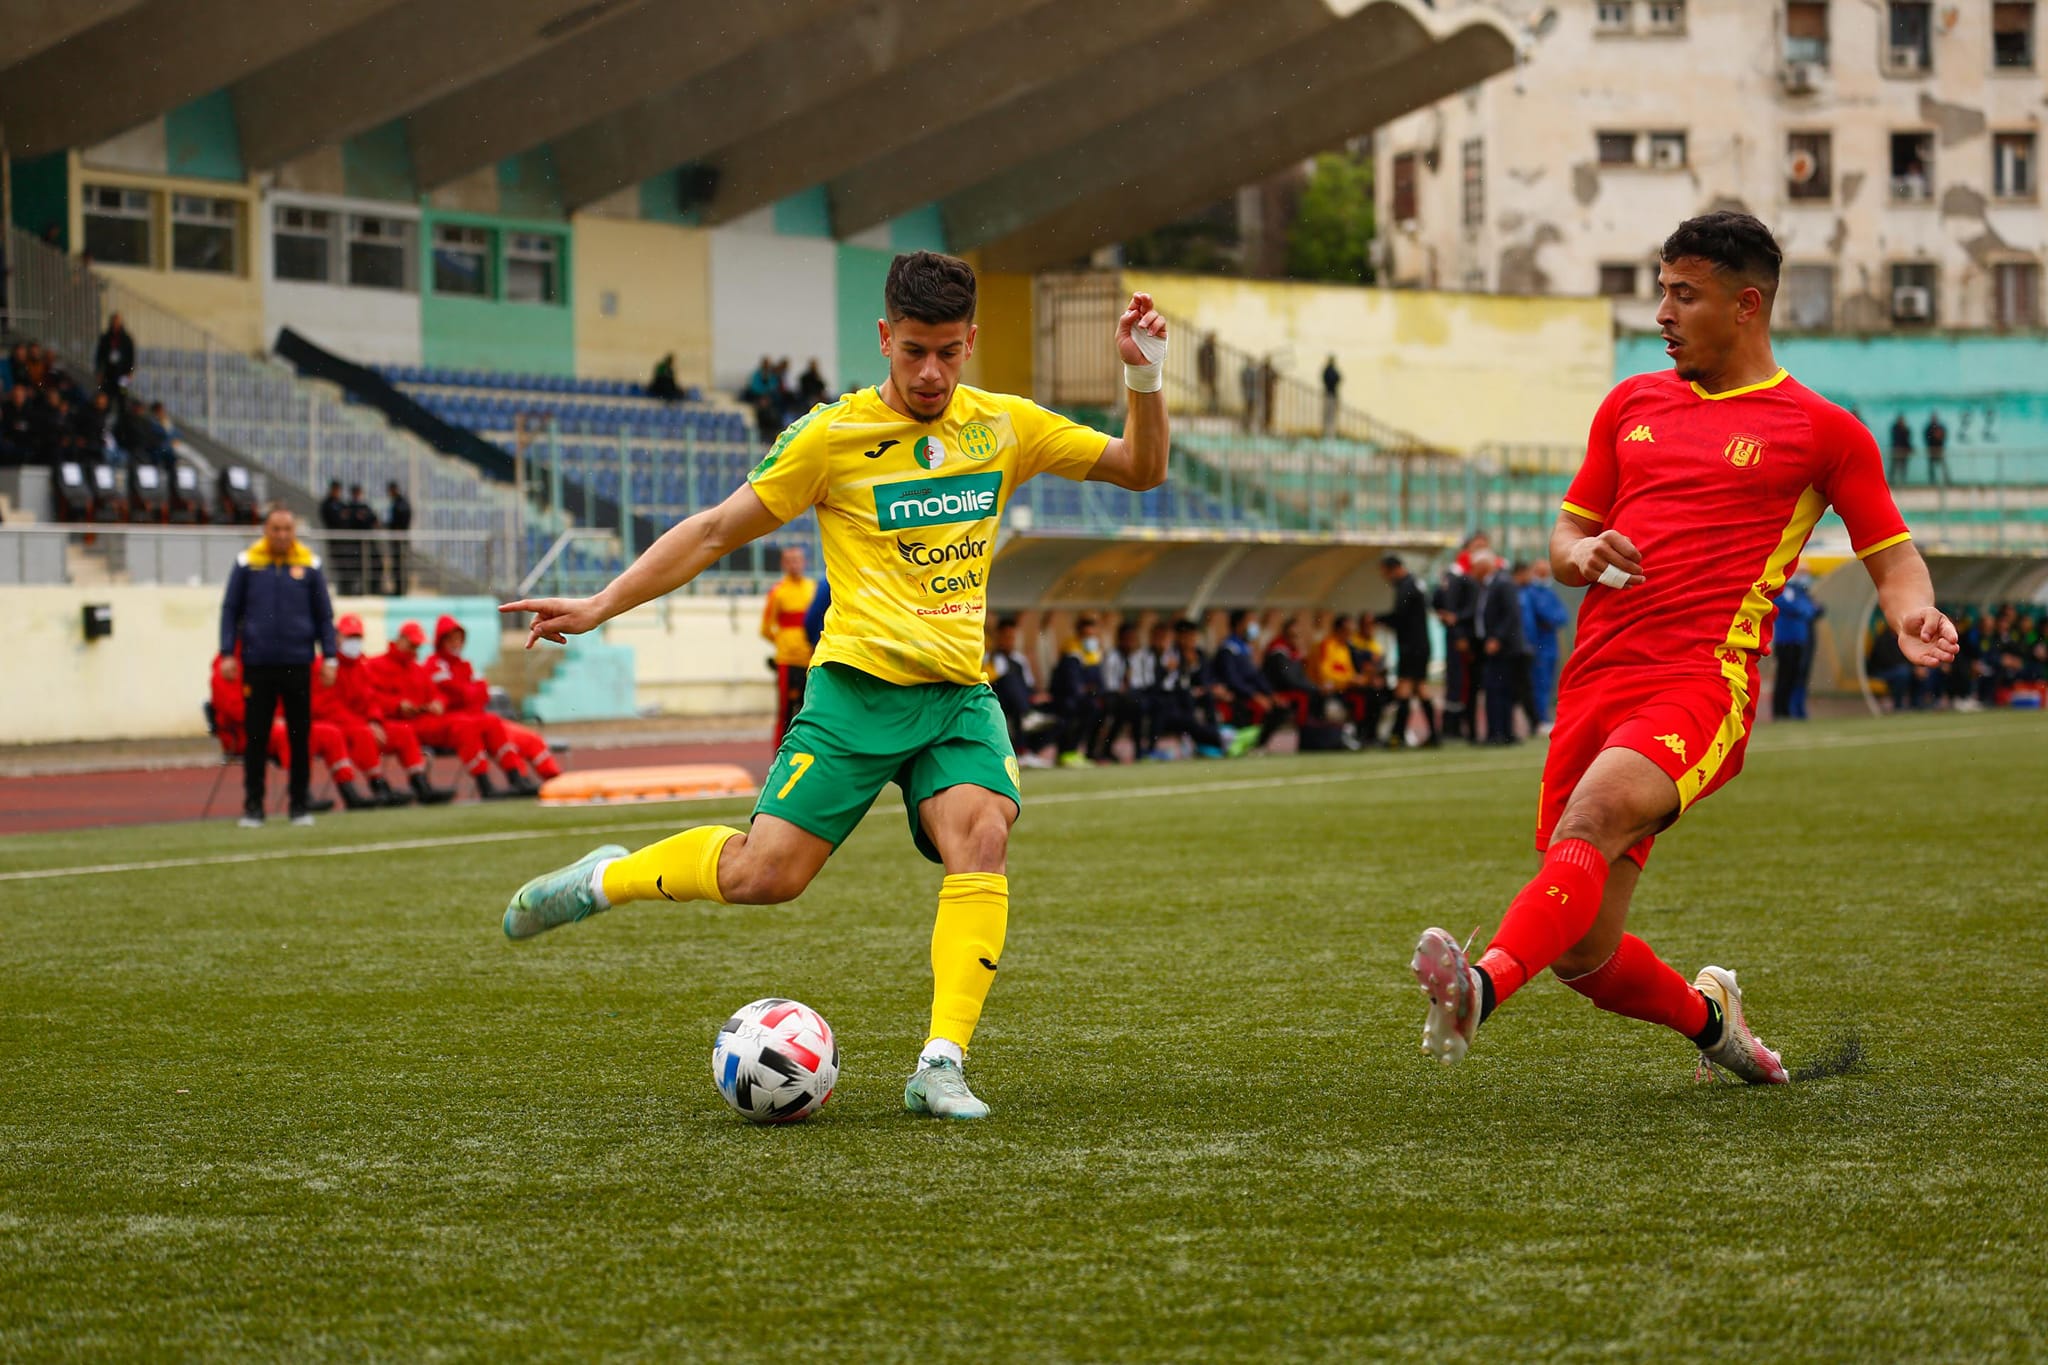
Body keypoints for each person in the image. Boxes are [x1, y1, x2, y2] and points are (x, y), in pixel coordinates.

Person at [500, 251, 1170, 1120]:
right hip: (854, 692)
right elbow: (712, 532)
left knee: (982, 835)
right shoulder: (830, 437)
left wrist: (1143, 376)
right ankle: (607, 878)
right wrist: (600, 603)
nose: (930, 372)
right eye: (913, 352)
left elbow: (1140, 468)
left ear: (972, 342)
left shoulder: (1004, 426)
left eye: (948, 353)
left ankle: (940, 1063)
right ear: (886, 339)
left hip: (956, 698)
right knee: (763, 877)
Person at [1411, 211, 1955, 1086]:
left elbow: (1891, 553)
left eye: (1682, 294)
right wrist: (1580, 554)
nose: (1661, 311)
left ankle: (1477, 987)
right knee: (1584, 952)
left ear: (1746, 305)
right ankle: (1717, 1024)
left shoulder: (1823, 430)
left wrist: (1912, 612)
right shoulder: (1629, 403)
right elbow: (1564, 535)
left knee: (1591, 819)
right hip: (1595, 680)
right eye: (1660, 290)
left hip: (1701, 679)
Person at [218, 505, 339, 827]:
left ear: (295, 532)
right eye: (276, 529)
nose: (282, 535)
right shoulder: (247, 564)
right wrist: (227, 652)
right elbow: (230, 610)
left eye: (287, 529)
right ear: (265, 531)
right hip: (257, 665)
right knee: (256, 737)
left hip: (299, 663)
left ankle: (299, 806)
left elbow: (324, 616)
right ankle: (253, 808)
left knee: (300, 737)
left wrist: (330, 657)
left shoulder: (310, 565)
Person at [367, 621, 524, 800]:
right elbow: (370, 698)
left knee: (491, 722)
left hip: (426, 719)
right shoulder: (377, 665)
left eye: (417, 646)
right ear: (400, 640)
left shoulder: (417, 668)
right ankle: (484, 784)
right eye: (412, 645)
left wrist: (437, 703)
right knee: (463, 726)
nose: (415, 649)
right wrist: (397, 705)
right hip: (403, 722)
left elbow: (443, 694)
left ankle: (516, 777)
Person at [331, 612, 455, 805]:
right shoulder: (335, 667)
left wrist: (374, 720)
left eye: (357, 637)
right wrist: (390, 710)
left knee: (402, 733)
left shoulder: (362, 667)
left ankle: (420, 785)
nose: (415, 649)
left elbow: (371, 700)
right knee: (365, 733)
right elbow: (331, 705)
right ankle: (379, 788)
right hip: (346, 726)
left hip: (373, 724)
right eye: (350, 637)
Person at [429, 617, 556, 789]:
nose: (455, 643)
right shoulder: (433, 665)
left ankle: (555, 781)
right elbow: (459, 694)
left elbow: (481, 694)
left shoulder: (465, 665)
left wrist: (468, 691)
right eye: (450, 639)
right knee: (506, 741)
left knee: (531, 739)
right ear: (440, 640)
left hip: (481, 720)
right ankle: (520, 781)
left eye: (458, 639)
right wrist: (470, 691)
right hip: (463, 726)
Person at [760, 546, 817, 747]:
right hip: (787, 661)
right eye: (790, 560)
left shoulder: (813, 588)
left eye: (798, 560)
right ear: (784, 564)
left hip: (811, 660)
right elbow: (765, 628)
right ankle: (779, 756)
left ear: (804, 563)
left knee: (809, 710)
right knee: (785, 712)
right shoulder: (778, 592)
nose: (794, 564)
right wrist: (785, 644)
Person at [1379, 554, 1437, 747]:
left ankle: (1397, 736)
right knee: (1420, 688)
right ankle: (1434, 735)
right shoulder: (1415, 583)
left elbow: (1400, 617)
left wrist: (1379, 619)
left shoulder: (1405, 587)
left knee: (1404, 688)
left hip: (1411, 646)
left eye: (1385, 573)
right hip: (1420, 644)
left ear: (1393, 569)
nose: (1386, 578)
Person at [1472, 549, 1524, 744]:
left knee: (1499, 689)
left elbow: (1510, 614)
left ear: (1484, 566)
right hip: (1495, 646)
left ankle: (1501, 733)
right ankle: (1499, 732)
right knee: (1497, 690)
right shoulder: (1489, 585)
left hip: (1504, 648)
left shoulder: (1502, 583)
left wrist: (1497, 638)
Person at [1518, 557, 1570, 729]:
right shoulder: (1529, 593)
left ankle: (1545, 717)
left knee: (1548, 684)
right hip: (1538, 646)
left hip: (1550, 646)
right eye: (1541, 572)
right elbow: (1541, 616)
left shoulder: (1549, 592)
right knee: (1538, 684)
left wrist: (1550, 619)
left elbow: (1562, 616)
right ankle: (1540, 719)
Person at [1049, 616, 1106, 768]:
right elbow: (1073, 686)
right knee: (1079, 710)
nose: (1090, 639)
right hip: (1068, 700)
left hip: (1084, 699)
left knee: (1101, 707)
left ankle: (1091, 752)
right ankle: (1068, 752)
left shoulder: (1094, 656)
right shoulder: (1072, 654)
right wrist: (1090, 690)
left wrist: (1094, 691)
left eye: (1092, 635)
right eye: (1086, 635)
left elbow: (1099, 684)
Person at [1099, 621, 1157, 762]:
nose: (1130, 643)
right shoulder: (1111, 656)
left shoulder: (1144, 656)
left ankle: (1143, 749)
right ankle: (1138, 750)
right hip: (1115, 696)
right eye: (1127, 639)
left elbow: (1148, 681)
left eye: (1133, 639)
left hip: (1137, 694)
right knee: (1130, 706)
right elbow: (1109, 684)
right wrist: (1123, 688)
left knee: (1137, 705)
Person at [1771, 569, 1823, 720]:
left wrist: (1805, 610)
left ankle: (1790, 710)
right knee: (1784, 677)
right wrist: (1804, 610)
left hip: (1799, 640)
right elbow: (1799, 609)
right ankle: (1779, 711)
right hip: (1784, 641)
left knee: (1795, 676)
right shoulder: (1781, 591)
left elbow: (1811, 609)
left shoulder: (1798, 592)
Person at [347, 483, 382, 596]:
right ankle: (357, 591)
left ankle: (373, 590)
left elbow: (375, 521)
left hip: (368, 543)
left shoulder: (365, 506)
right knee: (356, 570)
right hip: (354, 545)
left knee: (376, 565)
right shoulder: (349, 507)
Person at [94, 312, 136, 398]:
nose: (115, 324)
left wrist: (130, 372)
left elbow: (131, 357)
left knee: (123, 394)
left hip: (123, 372)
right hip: (108, 372)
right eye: (114, 322)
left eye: (117, 322)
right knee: (106, 394)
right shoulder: (105, 338)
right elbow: (100, 356)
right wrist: (99, 371)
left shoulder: (127, 339)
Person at [385, 482, 412, 595]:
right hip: (396, 539)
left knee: (400, 565)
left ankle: (401, 590)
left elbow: (403, 520)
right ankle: (398, 589)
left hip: (400, 540)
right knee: (396, 566)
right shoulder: (397, 503)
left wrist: (397, 528)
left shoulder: (401, 503)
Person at [1923, 411, 1949, 487]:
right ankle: (1932, 481)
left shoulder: (1940, 427)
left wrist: (1939, 437)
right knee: (1931, 467)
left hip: (1939, 449)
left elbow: (1944, 436)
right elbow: (1926, 438)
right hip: (1932, 450)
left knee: (1943, 466)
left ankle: (1947, 480)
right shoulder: (1929, 428)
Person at [1321, 354, 1342, 438]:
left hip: (1331, 394)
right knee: (1329, 414)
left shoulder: (1329, 370)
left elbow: (1339, 378)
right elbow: (1337, 378)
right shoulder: (1329, 370)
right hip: (1330, 394)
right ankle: (1328, 433)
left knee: (1330, 414)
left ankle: (1330, 432)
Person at [1197, 332, 1219, 414]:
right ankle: (1208, 409)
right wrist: (1203, 375)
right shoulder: (1205, 349)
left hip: (1211, 374)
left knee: (1213, 392)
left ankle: (1212, 409)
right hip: (1207, 374)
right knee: (1207, 393)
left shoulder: (1211, 348)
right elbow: (1201, 363)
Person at [1888, 414, 1912, 485]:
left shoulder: (1906, 429)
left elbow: (1907, 441)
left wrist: (1909, 448)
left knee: (1903, 467)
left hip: (1903, 451)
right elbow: (1896, 439)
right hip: (1896, 450)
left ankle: (1902, 482)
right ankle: (1892, 481)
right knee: (1894, 467)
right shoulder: (1895, 428)